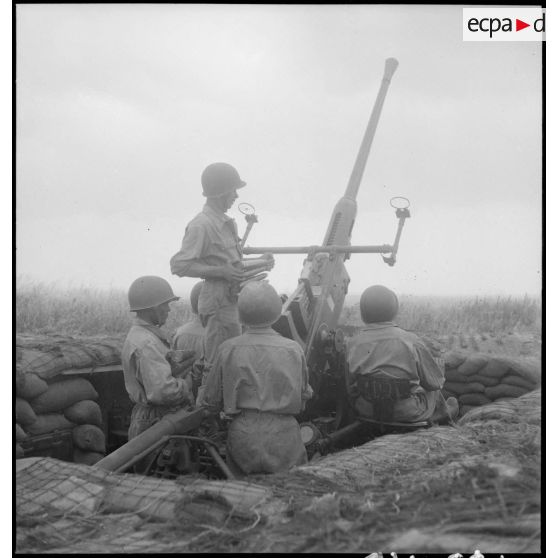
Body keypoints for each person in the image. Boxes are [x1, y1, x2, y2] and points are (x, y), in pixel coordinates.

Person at [170, 162, 273, 400]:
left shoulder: (224, 222)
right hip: (219, 304)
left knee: (231, 364)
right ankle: (208, 418)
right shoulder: (202, 225)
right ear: (220, 193)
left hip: (230, 302)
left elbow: (232, 266)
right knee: (217, 366)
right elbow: (179, 265)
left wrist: (261, 262)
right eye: (233, 190)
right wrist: (221, 273)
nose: (236, 195)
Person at [201, 281, 313, 476]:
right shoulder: (294, 349)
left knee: (242, 494)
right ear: (276, 312)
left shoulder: (227, 349)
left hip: (242, 434)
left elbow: (210, 401)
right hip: (284, 434)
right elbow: (304, 395)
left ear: (241, 314)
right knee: (290, 493)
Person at [346, 285, 458, 424]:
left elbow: (350, 387)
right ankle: (444, 413)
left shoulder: (353, 343)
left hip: (367, 411)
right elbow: (435, 383)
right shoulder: (411, 340)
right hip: (406, 413)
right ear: (394, 312)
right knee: (432, 387)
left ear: (363, 314)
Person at [121, 276, 195, 447]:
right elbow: (163, 392)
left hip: (153, 419)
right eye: (165, 305)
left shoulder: (143, 336)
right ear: (153, 308)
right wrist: (187, 383)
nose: (168, 310)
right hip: (155, 421)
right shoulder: (147, 343)